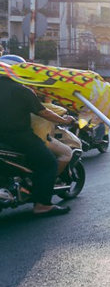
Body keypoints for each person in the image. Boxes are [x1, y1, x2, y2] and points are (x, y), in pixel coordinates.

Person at [0, 54, 76, 216]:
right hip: (19, 138)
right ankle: (42, 205)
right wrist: (64, 121)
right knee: (49, 164)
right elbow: (44, 112)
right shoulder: (21, 90)